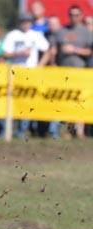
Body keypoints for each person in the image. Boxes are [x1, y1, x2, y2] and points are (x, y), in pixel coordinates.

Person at [52, 5, 92, 138]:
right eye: (71, 14)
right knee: (65, 102)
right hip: (63, 72)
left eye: (76, 15)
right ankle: (68, 131)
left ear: (81, 16)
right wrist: (54, 64)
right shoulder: (61, 31)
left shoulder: (86, 32)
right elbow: (54, 50)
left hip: (80, 72)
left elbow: (90, 52)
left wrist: (74, 50)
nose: (74, 17)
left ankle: (80, 132)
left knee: (80, 102)